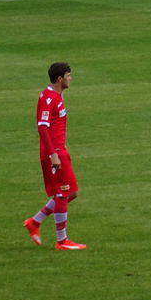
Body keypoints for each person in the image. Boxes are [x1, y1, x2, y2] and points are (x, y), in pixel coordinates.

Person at [23, 62, 86, 250]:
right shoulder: (48, 98)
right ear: (60, 78)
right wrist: (53, 154)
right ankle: (62, 241)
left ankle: (35, 222)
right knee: (61, 193)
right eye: (68, 75)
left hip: (60, 150)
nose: (70, 78)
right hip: (54, 154)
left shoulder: (57, 96)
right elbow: (42, 127)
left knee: (71, 193)